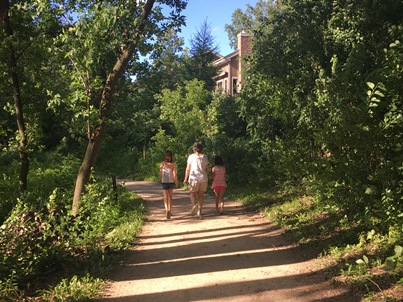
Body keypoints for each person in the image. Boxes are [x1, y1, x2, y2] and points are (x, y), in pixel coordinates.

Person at [183, 142, 210, 219]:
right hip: (203, 178)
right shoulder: (205, 157)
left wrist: (185, 178)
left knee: (192, 194)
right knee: (201, 195)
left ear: (194, 148)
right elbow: (208, 169)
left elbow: (188, 169)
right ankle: (199, 211)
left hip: (193, 178)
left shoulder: (191, 157)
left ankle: (194, 205)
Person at [160, 150, 178, 219]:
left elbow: (161, 174)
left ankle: (166, 210)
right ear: (171, 157)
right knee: (170, 197)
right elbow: (175, 175)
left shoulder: (162, 164)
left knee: (165, 197)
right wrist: (176, 183)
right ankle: (170, 210)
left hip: (164, 182)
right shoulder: (173, 165)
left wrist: (161, 179)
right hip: (171, 182)